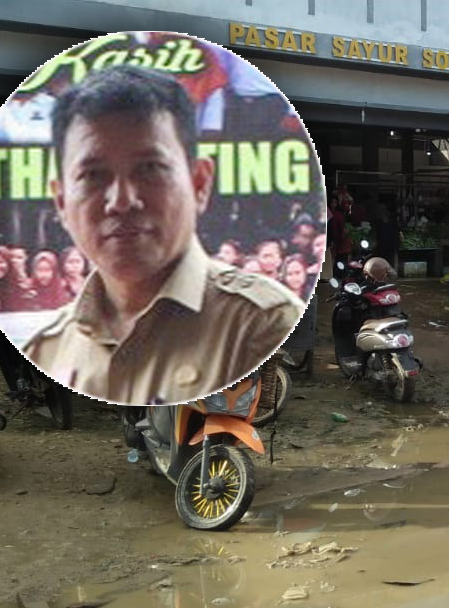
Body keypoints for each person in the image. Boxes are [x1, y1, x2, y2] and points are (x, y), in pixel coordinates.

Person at [22, 65, 303, 405]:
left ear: (199, 183)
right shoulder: (49, 348)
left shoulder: (263, 324)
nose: (122, 201)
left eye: (150, 169)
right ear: (62, 201)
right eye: (93, 175)